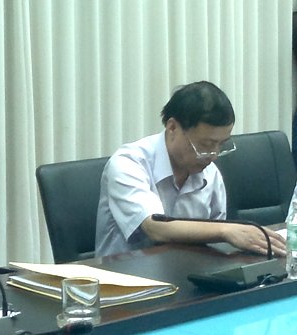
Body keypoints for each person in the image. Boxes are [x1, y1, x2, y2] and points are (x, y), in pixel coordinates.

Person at [95, 81, 286, 258]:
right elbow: (155, 227)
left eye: (221, 144)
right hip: (125, 277)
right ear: (172, 128)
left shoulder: (209, 172)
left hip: (187, 272)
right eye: (205, 145)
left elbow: (213, 243)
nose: (213, 155)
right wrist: (226, 230)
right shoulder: (128, 163)